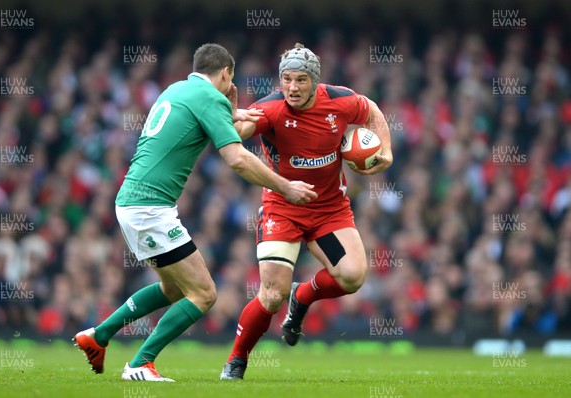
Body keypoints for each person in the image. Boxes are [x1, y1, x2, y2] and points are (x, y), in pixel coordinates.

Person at [73, 43, 317, 382]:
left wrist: (231, 110)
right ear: (225, 74)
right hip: (149, 209)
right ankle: (141, 363)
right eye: (230, 80)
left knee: (174, 289)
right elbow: (237, 158)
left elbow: (208, 120)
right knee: (204, 294)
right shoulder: (209, 98)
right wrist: (286, 187)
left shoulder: (178, 89)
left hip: (133, 202)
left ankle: (98, 336)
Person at [220, 43, 393, 380]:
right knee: (271, 296)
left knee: (354, 276)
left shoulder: (340, 100)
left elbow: (371, 110)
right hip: (282, 209)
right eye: (286, 79)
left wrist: (385, 150)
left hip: (329, 210)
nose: (293, 88)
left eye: (301, 80)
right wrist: (231, 117)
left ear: (315, 81)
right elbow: (238, 134)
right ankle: (236, 360)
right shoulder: (270, 108)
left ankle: (302, 297)